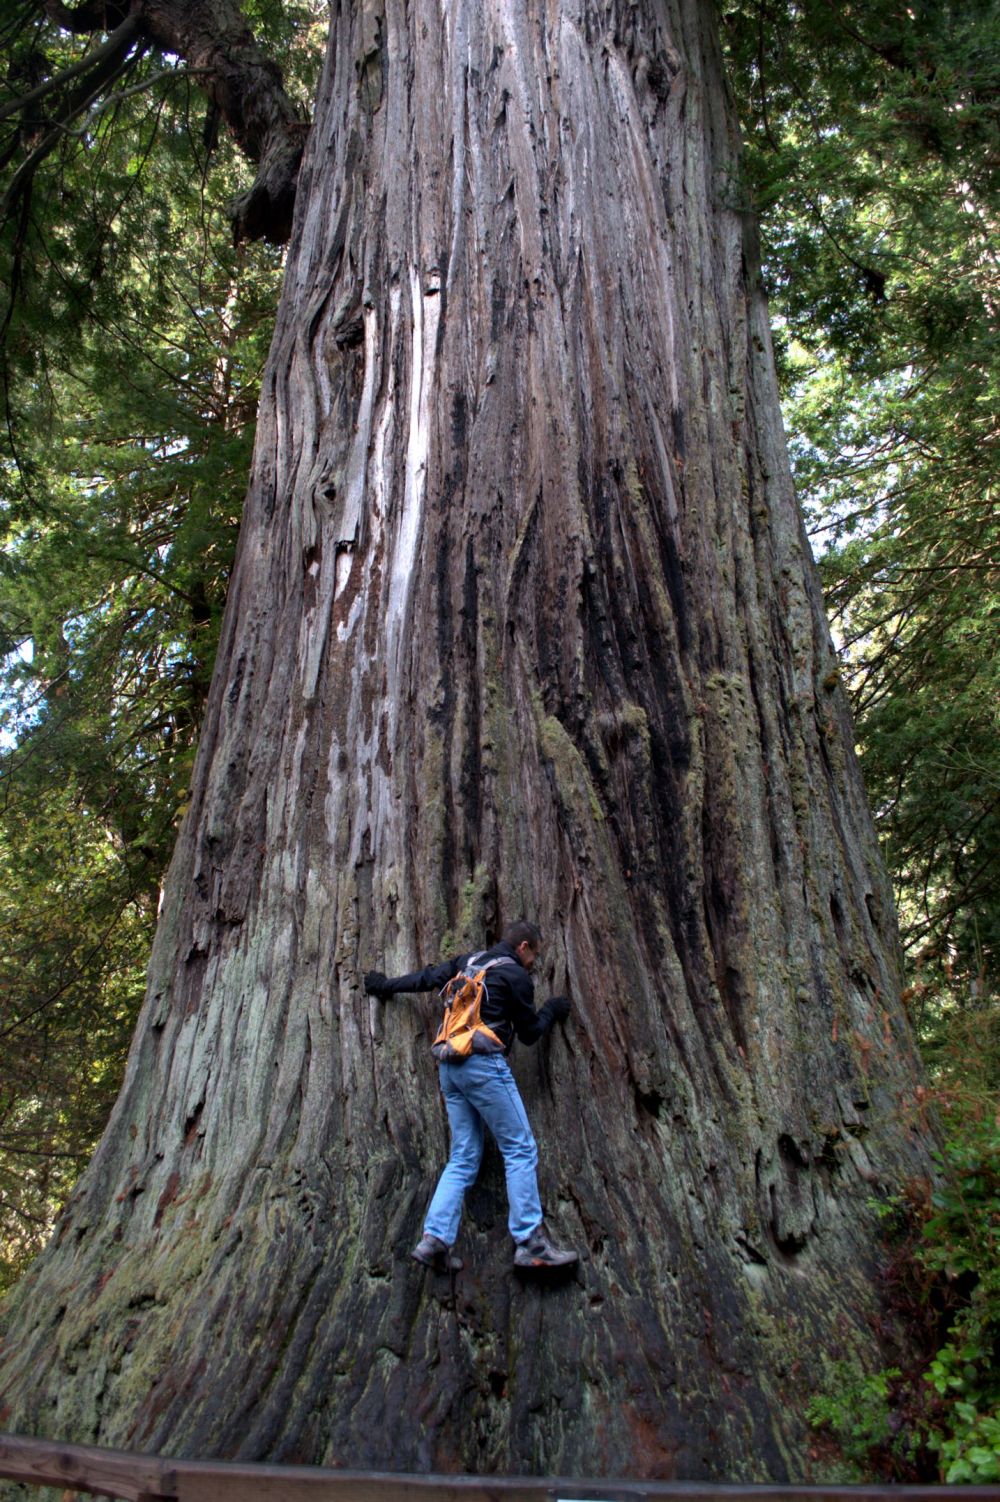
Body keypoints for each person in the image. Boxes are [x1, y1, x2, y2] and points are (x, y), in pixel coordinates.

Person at [364, 920, 578, 1272]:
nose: (534, 962)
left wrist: (384, 986)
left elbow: (428, 978)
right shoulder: (515, 976)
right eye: (534, 954)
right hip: (484, 1066)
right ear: (523, 946)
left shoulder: (469, 960)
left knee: (463, 1156)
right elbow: (529, 1034)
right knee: (520, 1147)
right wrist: (552, 1009)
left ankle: (435, 1240)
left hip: (449, 1065)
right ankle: (531, 1242)